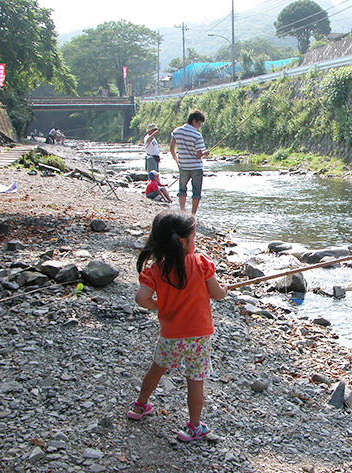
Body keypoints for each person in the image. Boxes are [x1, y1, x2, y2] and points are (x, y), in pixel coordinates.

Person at [128, 210, 228, 442]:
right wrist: (225, 289)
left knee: (156, 369)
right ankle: (193, 426)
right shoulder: (201, 263)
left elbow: (141, 298)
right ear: (183, 241)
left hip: (170, 335)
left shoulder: (155, 270)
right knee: (195, 380)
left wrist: (158, 304)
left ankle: (140, 405)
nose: (195, 243)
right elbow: (217, 295)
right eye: (193, 239)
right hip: (198, 337)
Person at [170, 110, 209, 214]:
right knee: (196, 192)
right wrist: (205, 153)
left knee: (182, 190)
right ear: (194, 121)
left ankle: (182, 212)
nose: (199, 126)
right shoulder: (197, 135)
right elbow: (198, 154)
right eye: (199, 123)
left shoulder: (176, 131)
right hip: (196, 167)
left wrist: (177, 162)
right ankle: (192, 214)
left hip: (183, 166)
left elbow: (171, 149)